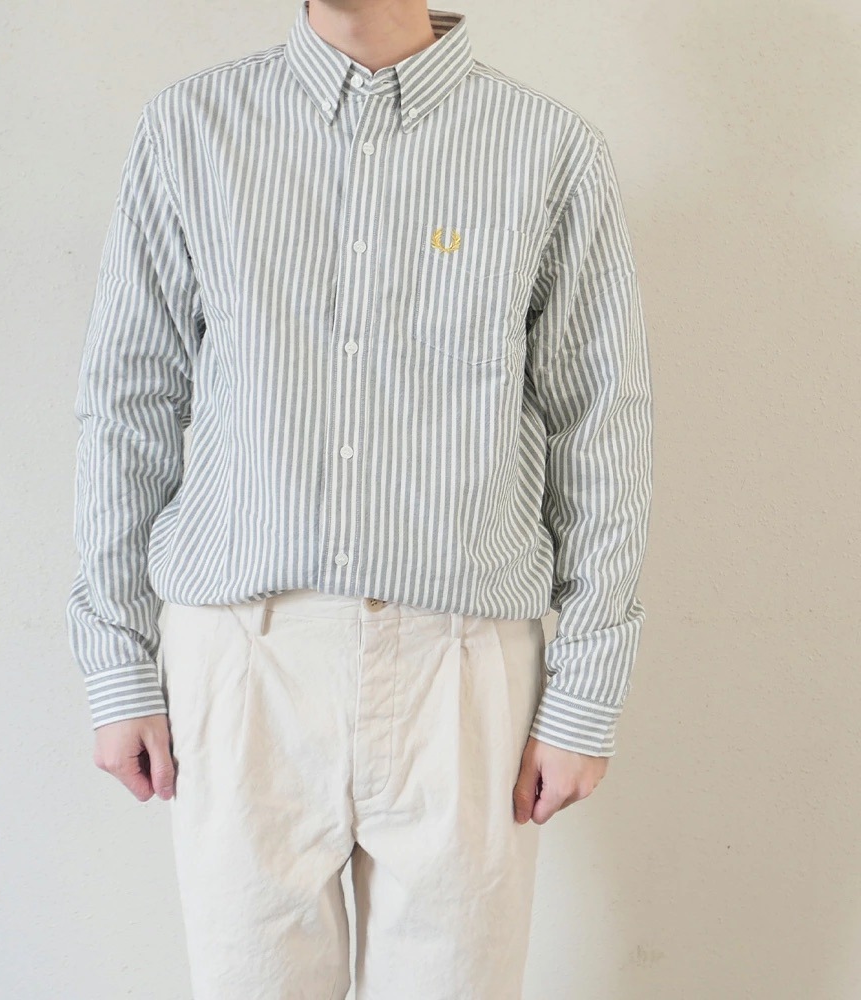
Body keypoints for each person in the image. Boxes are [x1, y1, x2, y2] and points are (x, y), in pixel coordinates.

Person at [66, 1, 653, 996]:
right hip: (244, 661)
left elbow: (600, 426)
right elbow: (128, 400)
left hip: (460, 667)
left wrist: (585, 690)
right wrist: (117, 662)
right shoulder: (191, 128)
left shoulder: (547, 149)